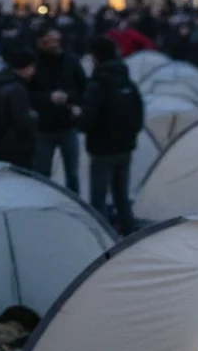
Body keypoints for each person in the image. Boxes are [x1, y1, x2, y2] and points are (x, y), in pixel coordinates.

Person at [81, 36, 143, 236]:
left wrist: (76, 117)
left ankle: (102, 237)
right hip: (125, 147)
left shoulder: (97, 84)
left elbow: (87, 119)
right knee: (121, 196)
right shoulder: (126, 80)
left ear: (95, 58)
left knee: (98, 198)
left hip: (102, 149)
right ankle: (128, 233)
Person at [30, 26, 87, 193]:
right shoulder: (35, 64)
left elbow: (83, 88)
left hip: (67, 124)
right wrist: (49, 97)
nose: (54, 44)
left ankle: (74, 202)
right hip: (43, 126)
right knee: (42, 172)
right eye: (49, 41)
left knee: (72, 174)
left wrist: (69, 98)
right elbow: (27, 93)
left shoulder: (71, 62)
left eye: (56, 40)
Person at [0, 49, 39, 169]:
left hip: (0, 145)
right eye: (32, 67)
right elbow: (22, 120)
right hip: (17, 149)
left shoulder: (1, 82)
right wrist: (35, 116)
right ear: (25, 67)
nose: (34, 72)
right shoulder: (17, 89)